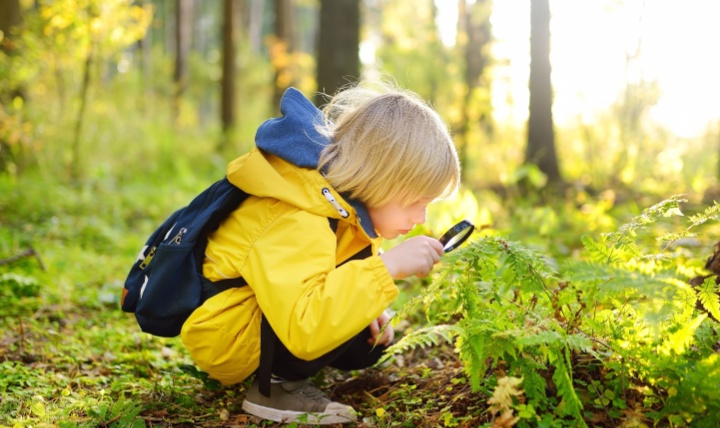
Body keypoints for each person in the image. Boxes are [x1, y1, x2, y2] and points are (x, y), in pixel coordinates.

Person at [180, 80, 461, 424]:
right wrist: (385, 269)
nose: (421, 218)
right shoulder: (298, 214)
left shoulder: (344, 210)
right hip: (227, 335)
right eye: (415, 201)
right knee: (336, 322)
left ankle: (285, 372)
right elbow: (305, 322)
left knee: (366, 341)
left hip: (272, 315)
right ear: (379, 177)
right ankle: (274, 389)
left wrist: (368, 303)